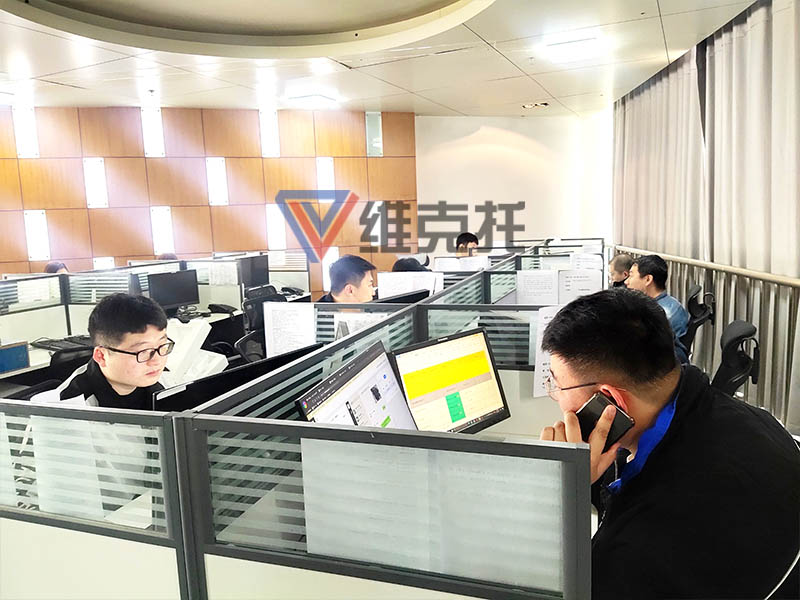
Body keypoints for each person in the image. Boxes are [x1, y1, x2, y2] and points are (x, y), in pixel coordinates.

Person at [539, 288, 800, 599]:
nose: (555, 396)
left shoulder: (638, 546)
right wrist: (583, 482)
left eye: (557, 384)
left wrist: (554, 503)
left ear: (609, 400)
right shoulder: (754, 419)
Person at [31, 294, 174, 409]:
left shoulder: (160, 380)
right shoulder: (70, 409)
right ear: (101, 356)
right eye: (143, 351)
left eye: (162, 345)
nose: (157, 361)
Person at [624, 254, 689, 362]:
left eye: (631, 276)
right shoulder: (654, 306)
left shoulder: (663, 315)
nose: (626, 282)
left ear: (648, 279)